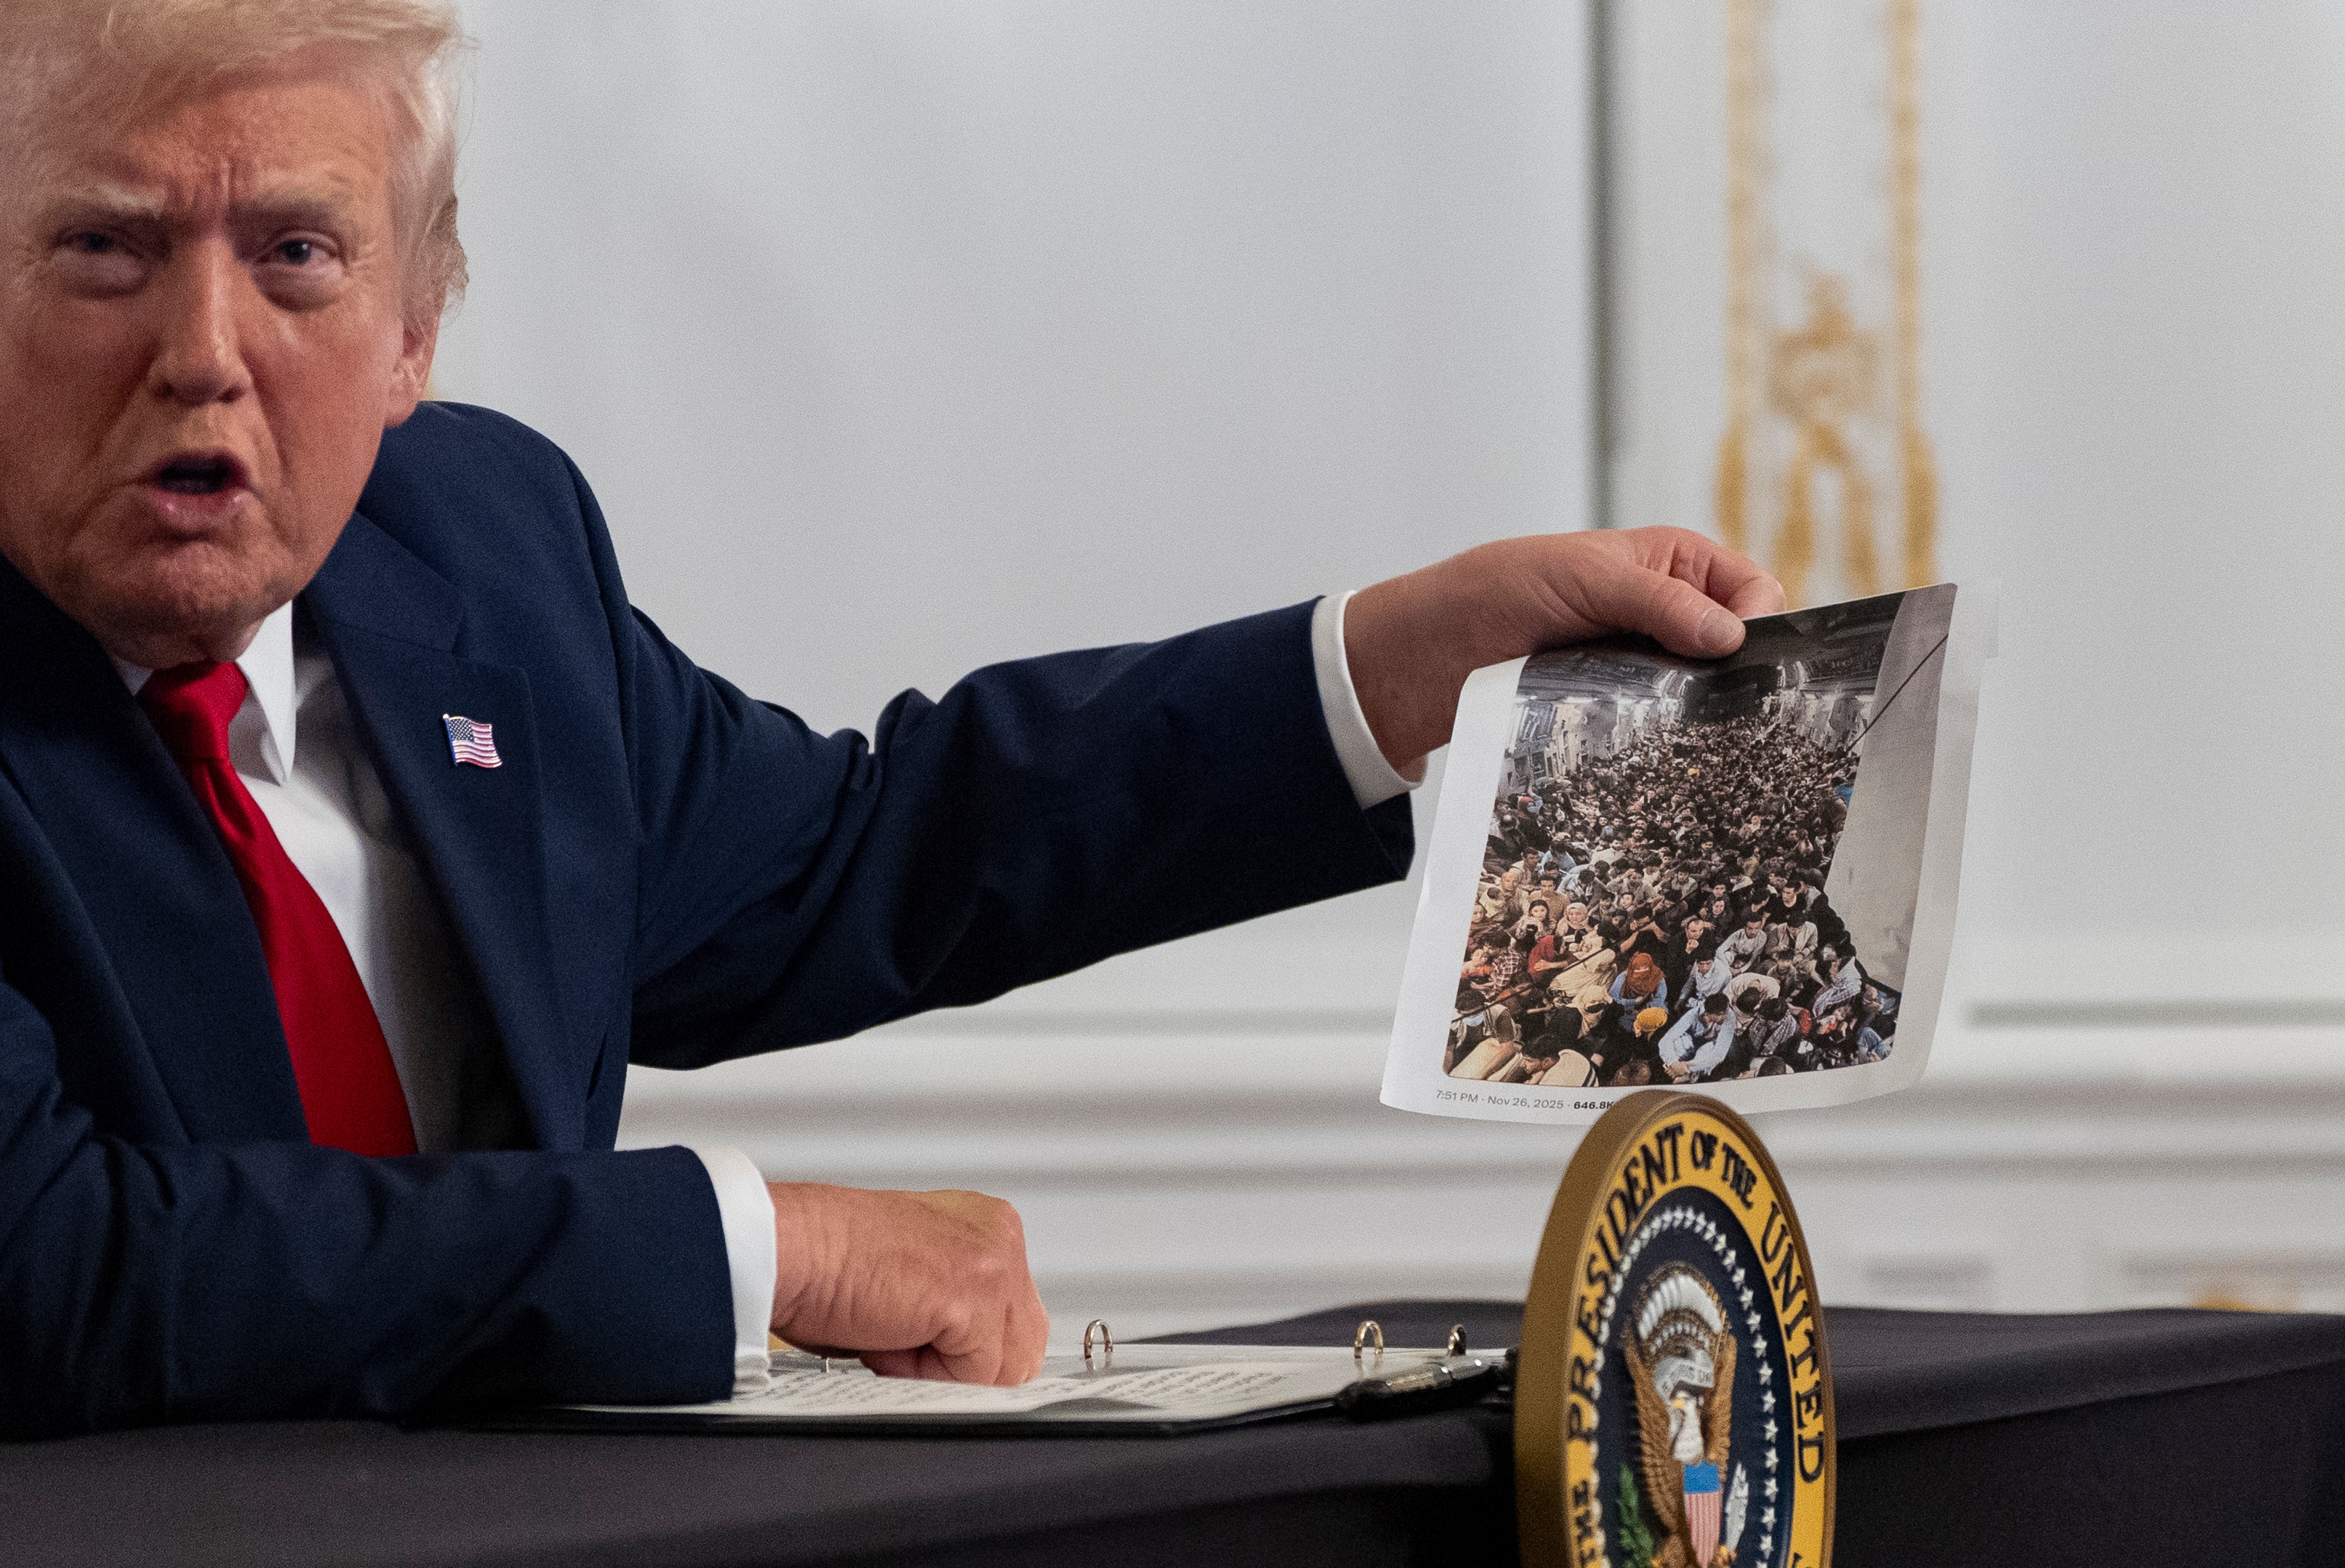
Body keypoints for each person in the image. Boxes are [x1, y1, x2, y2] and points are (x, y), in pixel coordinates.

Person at [0, 0, 1783, 1438]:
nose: (207, 349)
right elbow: (54, 1264)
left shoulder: (477, 550)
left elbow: (851, 857)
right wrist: (752, 1245)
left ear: (414, 328)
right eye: (104, 247)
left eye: (298, 252)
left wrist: (1402, 671)